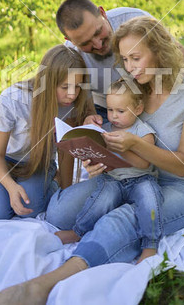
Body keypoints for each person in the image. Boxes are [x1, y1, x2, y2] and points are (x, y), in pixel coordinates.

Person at [0, 16, 184, 305]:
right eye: (125, 60)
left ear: (158, 51)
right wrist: (98, 141)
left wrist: (133, 145)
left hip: (176, 185)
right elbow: (116, 127)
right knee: (58, 214)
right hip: (127, 176)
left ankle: (42, 285)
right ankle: (77, 237)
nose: (129, 67)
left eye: (136, 58)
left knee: (125, 218)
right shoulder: (134, 88)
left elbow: (183, 163)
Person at [0, 45, 94, 219]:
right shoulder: (12, 100)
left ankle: (51, 182)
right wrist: (11, 187)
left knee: (31, 208)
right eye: (65, 87)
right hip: (6, 160)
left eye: (77, 87)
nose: (72, 94)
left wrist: (64, 193)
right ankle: (16, 186)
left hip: (39, 162)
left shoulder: (72, 104)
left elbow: (65, 153)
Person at [55, 79, 162, 263]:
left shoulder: (144, 131)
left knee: (150, 199)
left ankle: (150, 244)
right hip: (113, 179)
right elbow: (98, 155)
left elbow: (144, 164)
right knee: (100, 199)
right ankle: (78, 231)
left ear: (137, 109)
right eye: (110, 110)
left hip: (141, 179)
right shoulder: (105, 130)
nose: (113, 116)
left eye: (121, 111)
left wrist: (120, 149)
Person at [56, 0, 184, 123]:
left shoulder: (133, 19)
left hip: (150, 99)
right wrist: (91, 116)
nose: (98, 44)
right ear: (71, 41)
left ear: (102, 13)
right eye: (85, 43)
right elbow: (83, 99)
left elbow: (173, 50)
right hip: (107, 108)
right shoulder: (70, 55)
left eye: (98, 32)